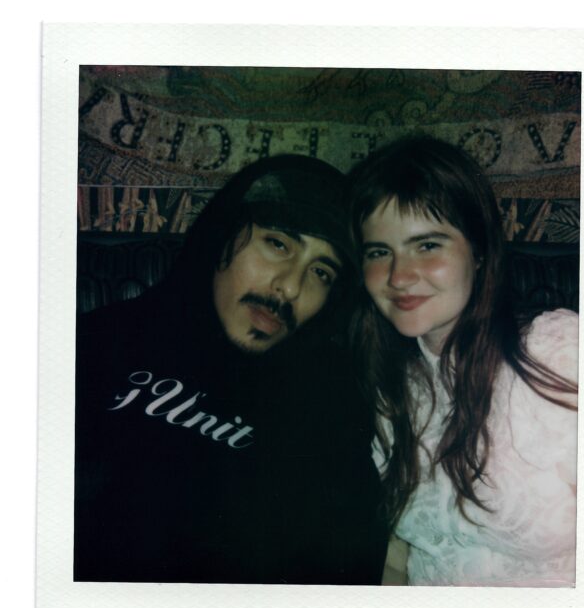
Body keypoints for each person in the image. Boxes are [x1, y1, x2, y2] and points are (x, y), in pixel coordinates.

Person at [74, 154, 385, 583]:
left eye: (321, 271)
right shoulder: (95, 345)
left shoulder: (332, 400)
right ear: (221, 234)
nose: (290, 287)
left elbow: (349, 565)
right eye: (278, 244)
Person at [348, 135, 578, 586]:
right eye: (379, 252)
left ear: (478, 251)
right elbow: (398, 557)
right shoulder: (387, 387)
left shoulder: (556, 355)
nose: (399, 276)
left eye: (427, 245)